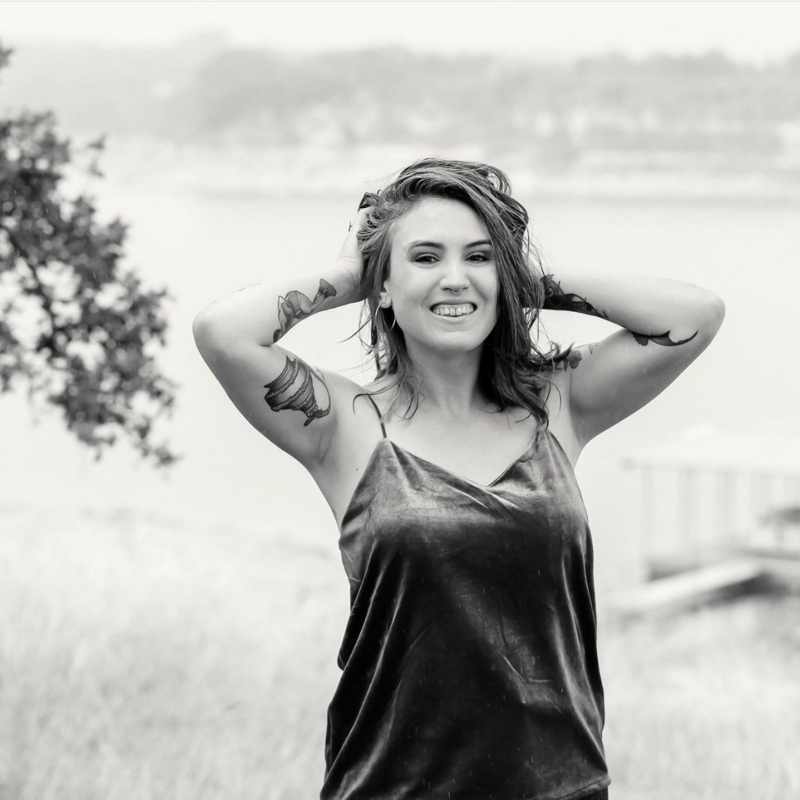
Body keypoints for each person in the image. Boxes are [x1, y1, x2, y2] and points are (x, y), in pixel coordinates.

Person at [192, 157, 725, 799]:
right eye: (424, 258)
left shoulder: (557, 402)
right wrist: (351, 272)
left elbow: (696, 314)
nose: (454, 278)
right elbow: (223, 332)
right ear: (381, 285)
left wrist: (517, 276)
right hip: (392, 786)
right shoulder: (345, 423)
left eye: (478, 256)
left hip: (562, 787)